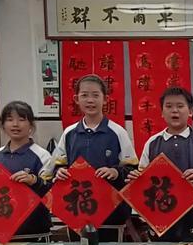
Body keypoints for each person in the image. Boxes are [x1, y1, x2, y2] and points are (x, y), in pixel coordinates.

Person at [47, 75, 137, 235]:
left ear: (105, 99)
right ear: (76, 99)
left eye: (95, 95)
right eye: (84, 95)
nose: (90, 100)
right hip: (77, 213)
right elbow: (56, 167)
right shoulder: (69, 133)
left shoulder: (118, 132)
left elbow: (133, 170)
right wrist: (59, 172)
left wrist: (115, 172)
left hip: (111, 215)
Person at [128, 87, 193, 241]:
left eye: (180, 106)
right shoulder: (152, 143)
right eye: (169, 106)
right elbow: (143, 179)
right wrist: (136, 179)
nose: (174, 111)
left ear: (190, 111)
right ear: (162, 112)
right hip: (161, 219)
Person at [0, 101, 53, 239]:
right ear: (3, 125)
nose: (15, 124)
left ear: (31, 125)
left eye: (21, 119)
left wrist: (33, 180)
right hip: (0, 232)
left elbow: (51, 193)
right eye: (9, 120)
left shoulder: (42, 156)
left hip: (34, 232)